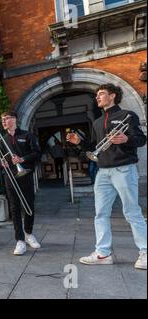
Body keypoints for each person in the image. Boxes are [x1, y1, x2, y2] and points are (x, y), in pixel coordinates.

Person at [67, 83, 146, 270]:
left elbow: (141, 139)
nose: (98, 97)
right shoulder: (97, 122)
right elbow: (94, 147)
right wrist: (80, 143)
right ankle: (103, 253)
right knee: (100, 214)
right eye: (97, 95)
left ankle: (145, 252)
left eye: (101, 94)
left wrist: (126, 139)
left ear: (112, 96)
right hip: (103, 172)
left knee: (132, 212)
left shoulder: (128, 116)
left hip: (124, 169)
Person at [0, 112, 42, 256]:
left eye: (6, 119)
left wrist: (22, 159)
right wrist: (2, 163)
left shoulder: (27, 135)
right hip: (10, 176)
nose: (4, 121)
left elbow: (37, 154)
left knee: (29, 205)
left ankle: (29, 234)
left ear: (14, 119)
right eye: (2, 120)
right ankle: (20, 240)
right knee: (14, 208)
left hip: (26, 175)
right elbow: (0, 158)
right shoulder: (2, 139)